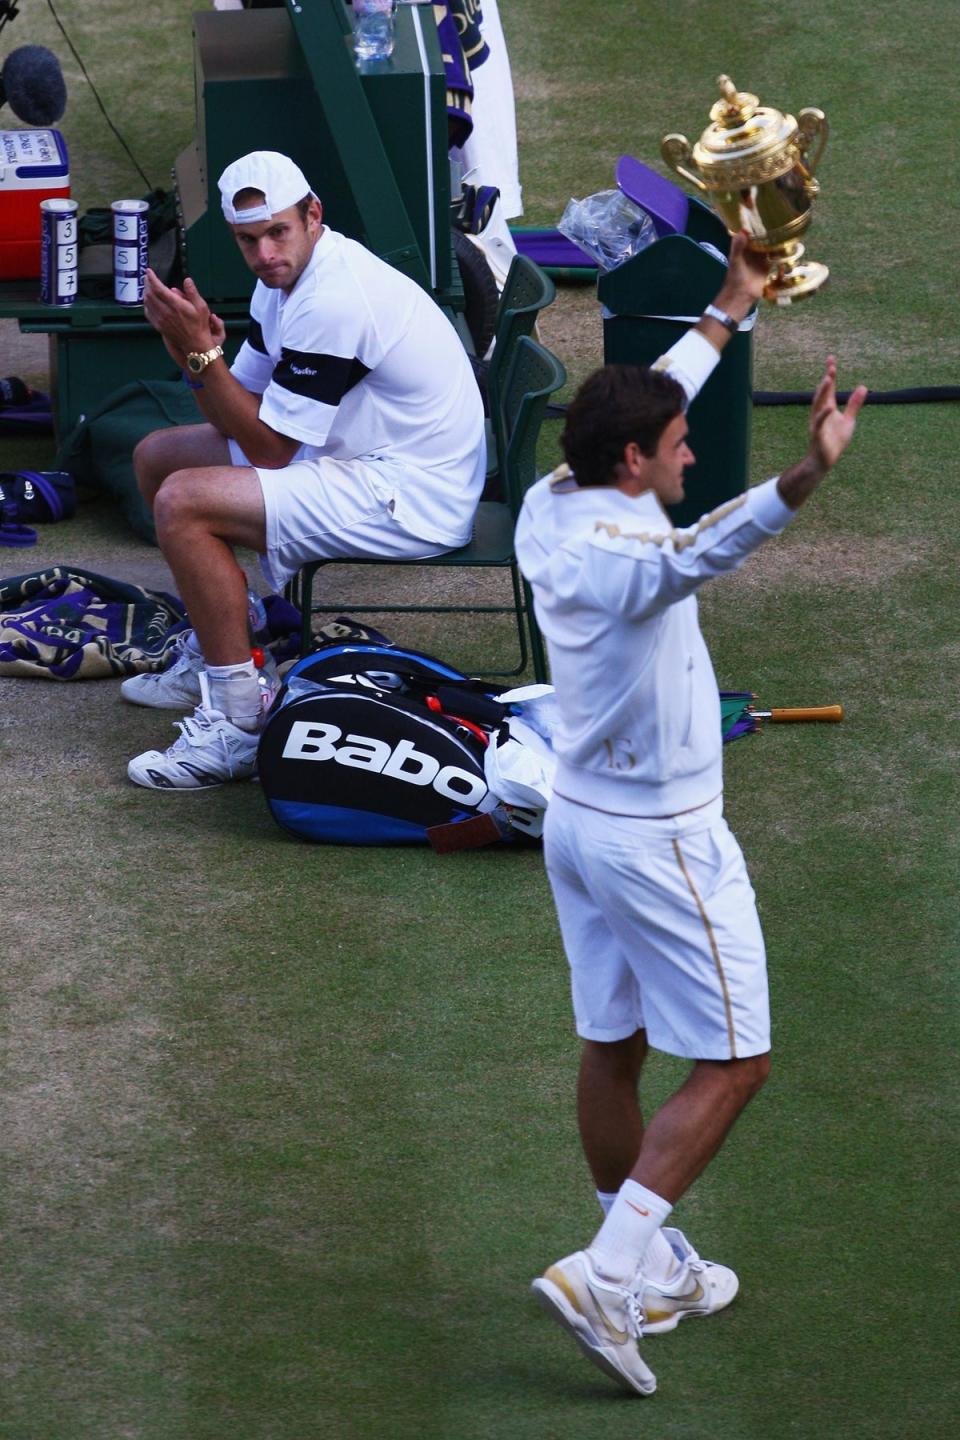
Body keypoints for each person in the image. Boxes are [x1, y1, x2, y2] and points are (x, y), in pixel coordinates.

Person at [514, 233, 867, 1397]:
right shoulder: (626, 555)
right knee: (735, 1065)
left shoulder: (551, 497)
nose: (691, 453)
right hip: (661, 842)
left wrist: (729, 307)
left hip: (579, 823)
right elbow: (704, 550)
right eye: (675, 449)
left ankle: (649, 1258)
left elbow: (658, 394)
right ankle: (609, 1275)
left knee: (612, 1046)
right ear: (633, 462)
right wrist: (804, 478)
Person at [122, 150, 486, 790]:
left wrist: (201, 354)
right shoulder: (282, 284)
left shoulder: (332, 299)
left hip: (411, 493)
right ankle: (229, 643)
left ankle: (236, 722)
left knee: (184, 503)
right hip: (358, 456)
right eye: (247, 240)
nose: (264, 253)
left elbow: (267, 449)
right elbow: (238, 414)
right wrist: (195, 357)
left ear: (313, 216)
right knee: (158, 458)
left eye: (277, 232)